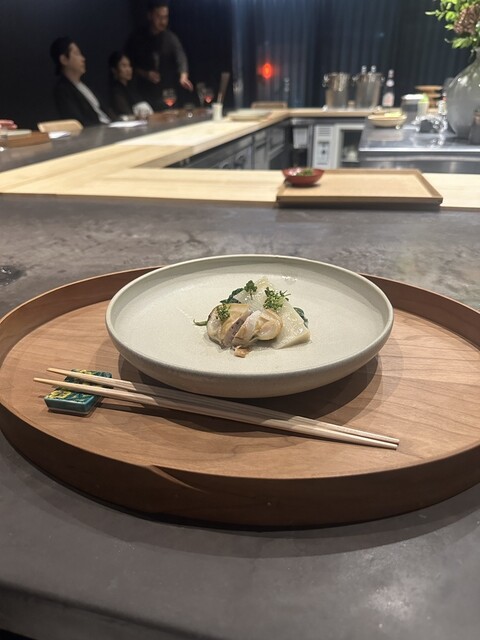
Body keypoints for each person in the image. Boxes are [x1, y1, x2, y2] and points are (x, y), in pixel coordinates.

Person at [125, 0, 193, 110]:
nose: (163, 21)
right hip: (143, 95)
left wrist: (183, 76)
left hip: (167, 95)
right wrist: (146, 74)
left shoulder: (170, 38)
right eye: (159, 17)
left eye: (165, 17)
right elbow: (129, 64)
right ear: (150, 16)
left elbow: (180, 56)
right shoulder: (137, 38)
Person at [49, 37, 111, 127]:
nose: (83, 59)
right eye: (77, 54)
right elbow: (79, 123)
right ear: (64, 60)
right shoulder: (63, 90)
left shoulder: (86, 84)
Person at [108, 51, 153, 119]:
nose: (128, 69)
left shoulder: (133, 88)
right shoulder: (116, 91)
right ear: (114, 70)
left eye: (129, 66)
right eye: (124, 66)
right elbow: (127, 114)